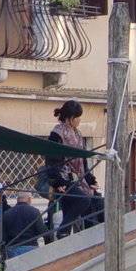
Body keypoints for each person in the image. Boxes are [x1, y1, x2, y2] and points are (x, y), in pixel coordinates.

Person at [42, 100, 100, 237]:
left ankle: (67, 235)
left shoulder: (78, 134)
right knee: (83, 200)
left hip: (77, 177)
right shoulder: (58, 133)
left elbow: (82, 160)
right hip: (63, 178)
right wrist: (57, 180)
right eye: (77, 117)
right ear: (70, 117)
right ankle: (63, 230)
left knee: (90, 202)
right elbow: (52, 159)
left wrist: (90, 178)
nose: (79, 120)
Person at [0, 192, 48, 259]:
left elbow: (3, 234)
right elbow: (41, 230)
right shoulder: (34, 212)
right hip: (30, 246)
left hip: (12, 248)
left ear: (17, 200)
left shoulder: (7, 213)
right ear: (29, 200)